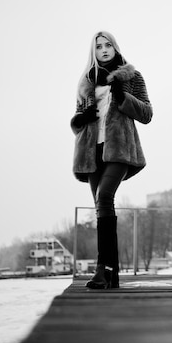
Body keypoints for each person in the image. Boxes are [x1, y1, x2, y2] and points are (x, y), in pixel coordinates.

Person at [70, 31, 153, 289]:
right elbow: (77, 122)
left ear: (116, 48)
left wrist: (122, 96)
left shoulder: (132, 77)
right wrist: (81, 119)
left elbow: (147, 113)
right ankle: (110, 274)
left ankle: (101, 271)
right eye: (98, 46)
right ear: (92, 52)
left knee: (104, 197)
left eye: (108, 45)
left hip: (119, 149)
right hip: (91, 151)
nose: (104, 49)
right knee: (101, 207)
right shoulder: (86, 83)